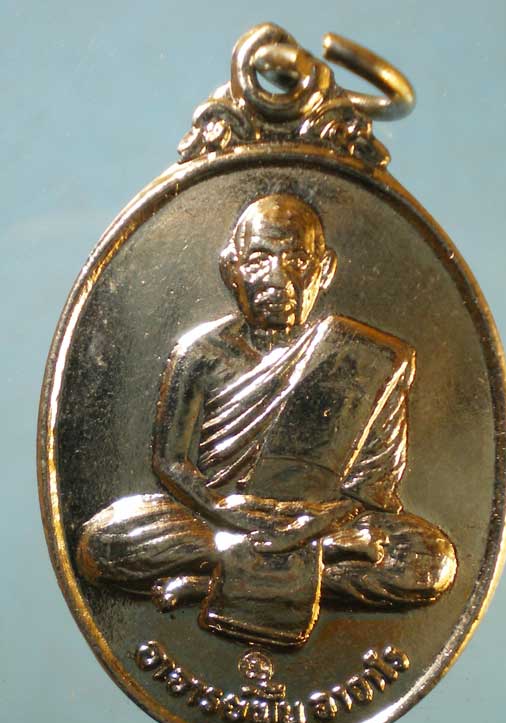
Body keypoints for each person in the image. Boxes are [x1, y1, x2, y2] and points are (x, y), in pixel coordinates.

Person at [76, 194, 456, 646]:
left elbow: (372, 488)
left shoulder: (369, 357)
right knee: (105, 544)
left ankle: (214, 578)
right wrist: (222, 510)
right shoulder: (201, 353)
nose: (277, 278)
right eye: (258, 260)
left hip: (319, 520)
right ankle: (310, 563)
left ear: (324, 270)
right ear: (231, 269)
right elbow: (171, 462)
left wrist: (316, 524)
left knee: (429, 561)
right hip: (218, 517)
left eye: (296, 259)